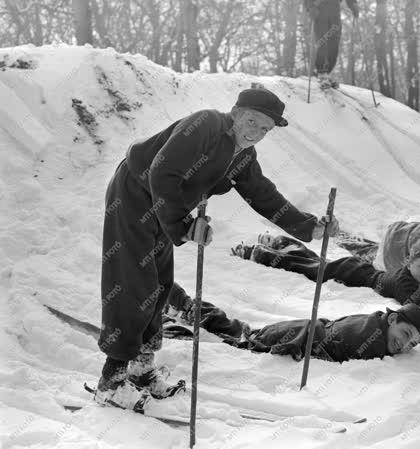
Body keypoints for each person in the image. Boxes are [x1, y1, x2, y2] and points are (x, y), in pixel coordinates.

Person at [97, 87, 340, 410]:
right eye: (253, 121)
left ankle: (142, 370)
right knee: (133, 284)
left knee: (159, 284)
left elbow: (263, 196)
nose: (256, 133)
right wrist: (183, 227)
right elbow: (162, 171)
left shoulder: (243, 156)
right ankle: (110, 383)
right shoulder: (206, 125)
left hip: (165, 206)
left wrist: (309, 226)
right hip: (134, 194)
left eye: (265, 129)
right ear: (237, 113)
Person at [165, 283, 420, 362]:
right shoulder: (372, 340)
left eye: (413, 343)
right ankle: (172, 321)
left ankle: (186, 307)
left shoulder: (375, 324)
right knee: (240, 342)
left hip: (294, 328)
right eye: (406, 333)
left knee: (240, 331)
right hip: (292, 335)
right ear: (391, 319)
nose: (405, 344)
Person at [231, 234, 420, 309]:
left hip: (360, 268)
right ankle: (259, 254)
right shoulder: (404, 281)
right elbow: (412, 300)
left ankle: (283, 242)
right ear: (409, 264)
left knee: (315, 263)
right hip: (351, 274)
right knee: (309, 269)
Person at [305, 0, 359, 89]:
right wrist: (310, 7)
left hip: (335, 11)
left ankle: (328, 74)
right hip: (320, 10)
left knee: (334, 44)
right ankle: (321, 74)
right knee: (322, 42)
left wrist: (353, 4)